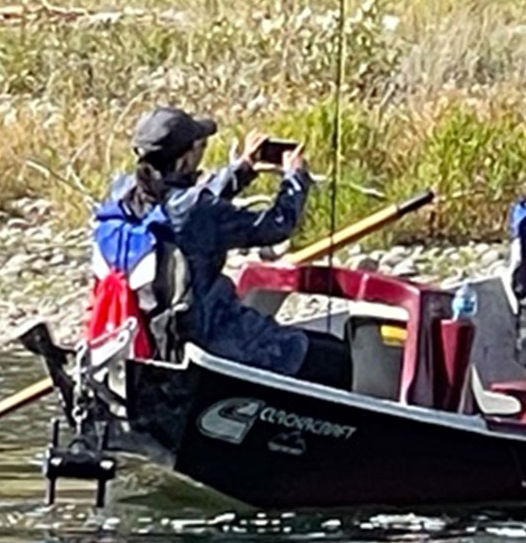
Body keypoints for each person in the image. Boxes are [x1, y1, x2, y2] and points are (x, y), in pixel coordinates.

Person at [96, 106, 351, 388]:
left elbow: (185, 204)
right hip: (212, 340)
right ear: (184, 160)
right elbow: (277, 225)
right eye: (201, 146)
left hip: (144, 340)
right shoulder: (197, 212)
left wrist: (242, 169)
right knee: (335, 357)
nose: (203, 152)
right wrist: (295, 178)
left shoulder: (121, 192)